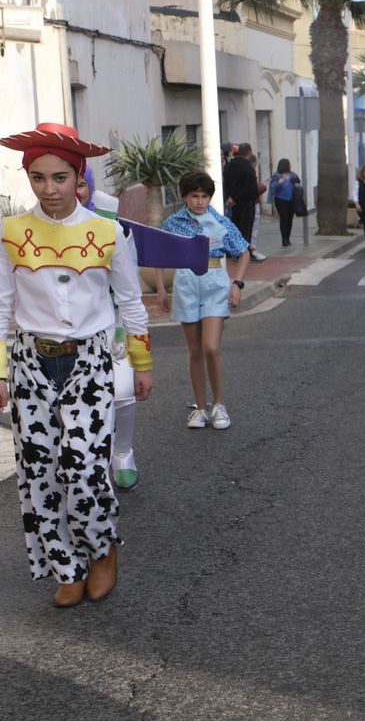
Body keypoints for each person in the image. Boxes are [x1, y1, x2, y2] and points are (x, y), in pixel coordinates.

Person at [0, 122, 153, 607]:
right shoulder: (11, 233)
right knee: (40, 468)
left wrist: (141, 361)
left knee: (83, 466)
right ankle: (65, 564)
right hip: (29, 364)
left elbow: (131, 301)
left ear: (78, 176)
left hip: (88, 361)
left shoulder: (108, 231)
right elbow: (2, 305)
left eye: (60, 178)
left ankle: (102, 551)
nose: (50, 189)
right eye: (39, 178)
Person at [161, 170, 250, 431]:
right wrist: (161, 290)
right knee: (195, 351)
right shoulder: (173, 223)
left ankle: (219, 404)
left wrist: (237, 283)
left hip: (215, 285)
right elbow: (159, 252)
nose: (200, 201)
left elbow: (243, 252)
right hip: (186, 284)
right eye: (194, 196)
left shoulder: (220, 222)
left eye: (204, 196)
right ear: (185, 197)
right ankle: (200, 408)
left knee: (211, 347)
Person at [74, 170, 143, 490]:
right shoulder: (36, 229)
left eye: (80, 184)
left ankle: (123, 451)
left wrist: (137, 347)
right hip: (62, 337)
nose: (73, 191)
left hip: (110, 326)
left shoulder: (110, 224)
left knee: (124, 390)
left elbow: (129, 290)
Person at [221, 142, 259, 257]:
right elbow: (251, 188)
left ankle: (234, 252)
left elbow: (225, 183)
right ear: (249, 153)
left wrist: (230, 197)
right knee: (246, 229)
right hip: (246, 203)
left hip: (232, 203)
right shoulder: (249, 168)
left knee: (234, 227)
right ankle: (245, 254)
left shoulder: (229, 166)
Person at [268, 158, 302, 247]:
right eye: (289, 164)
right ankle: (284, 239)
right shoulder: (277, 176)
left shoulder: (292, 175)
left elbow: (298, 182)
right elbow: (272, 187)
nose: (290, 165)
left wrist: (297, 185)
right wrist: (279, 183)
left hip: (291, 200)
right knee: (284, 218)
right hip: (280, 200)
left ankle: (288, 237)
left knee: (290, 219)